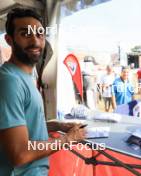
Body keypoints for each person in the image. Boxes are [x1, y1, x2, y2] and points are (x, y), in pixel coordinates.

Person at [0, 8, 86, 175]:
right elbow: (20, 153)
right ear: (9, 40)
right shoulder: (10, 81)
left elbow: (21, 127)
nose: (35, 41)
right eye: (26, 34)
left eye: (40, 34)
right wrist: (67, 139)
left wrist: (56, 125)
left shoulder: (23, 76)